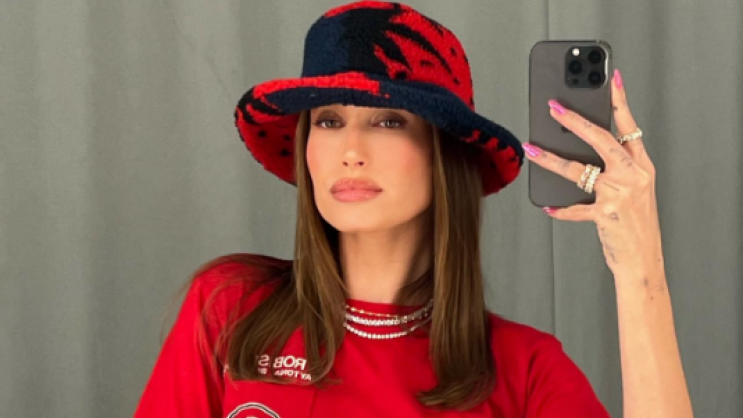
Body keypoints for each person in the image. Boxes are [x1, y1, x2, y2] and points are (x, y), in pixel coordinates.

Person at [133, 1, 694, 417]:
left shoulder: (523, 371)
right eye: (328, 120)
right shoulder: (229, 310)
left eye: (388, 120)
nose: (350, 150)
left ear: (444, 152)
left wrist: (638, 265)